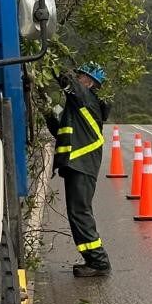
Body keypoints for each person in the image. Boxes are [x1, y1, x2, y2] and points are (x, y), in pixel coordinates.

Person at [45, 63, 112, 276]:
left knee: (80, 213)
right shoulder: (78, 107)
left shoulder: (86, 98)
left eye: (81, 75)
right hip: (77, 164)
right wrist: (47, 112)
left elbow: (67, 80)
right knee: (77, 213)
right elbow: (62, 132)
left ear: (89, 82)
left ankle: (99, 261)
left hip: (82, 164)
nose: (77, 78)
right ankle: (94, 259)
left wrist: (49, 59)